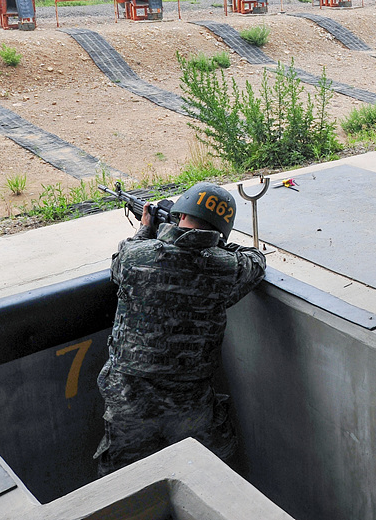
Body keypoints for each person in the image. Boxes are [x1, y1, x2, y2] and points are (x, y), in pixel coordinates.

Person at [94, 182, 266, 476]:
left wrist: (147, 228)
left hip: (130, 401)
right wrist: (208, 244)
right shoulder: (226, 268)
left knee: (125, 483)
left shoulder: (136, 256)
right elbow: (256, 259)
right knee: (210, 473)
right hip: (191, 405)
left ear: (180, 212)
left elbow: (121, 264)